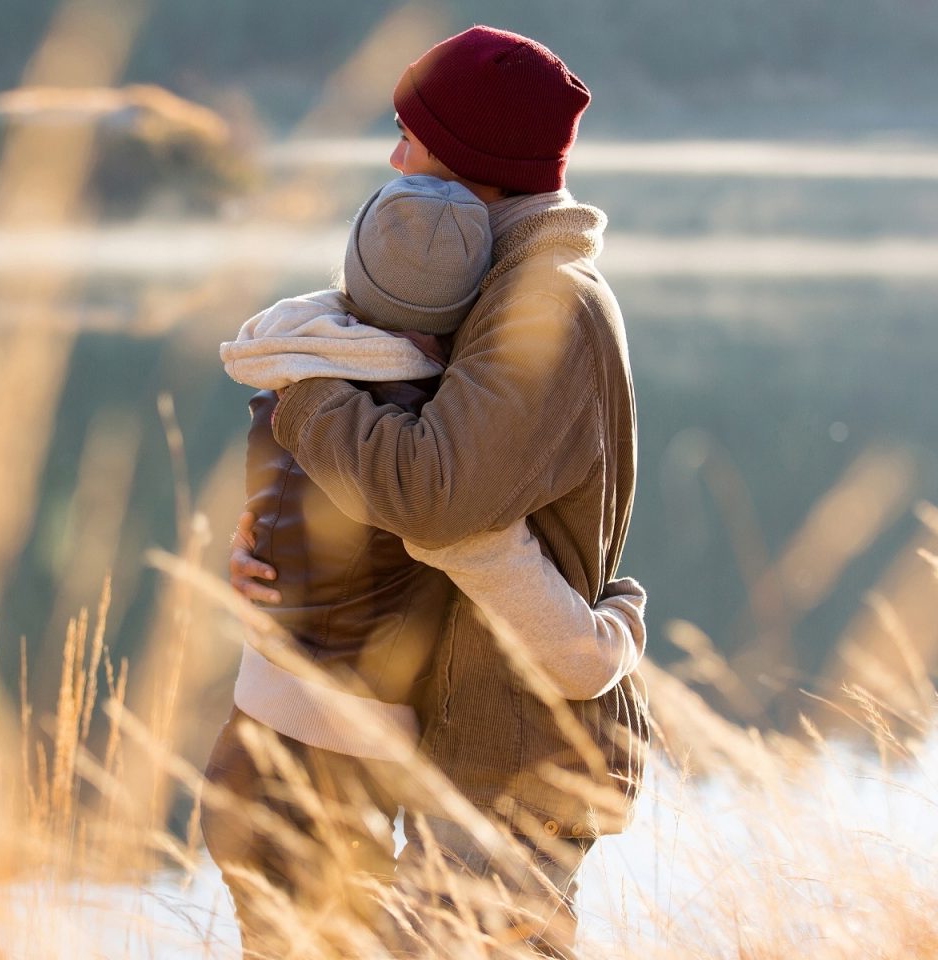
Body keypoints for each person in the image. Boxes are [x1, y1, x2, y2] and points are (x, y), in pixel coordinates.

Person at [224, 25, 649, 958]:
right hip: (462, 732)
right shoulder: (487, 286)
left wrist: (303, 394)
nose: (393, 157)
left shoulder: (547, 303)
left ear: (470, 163)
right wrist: (282, 547)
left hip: (515, 759)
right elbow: (421, 493)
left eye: (411, 138)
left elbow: (434, 499)